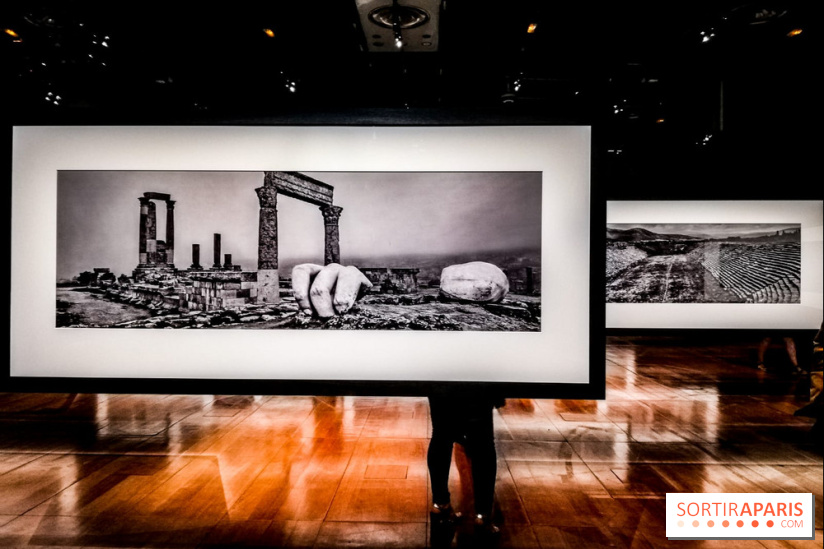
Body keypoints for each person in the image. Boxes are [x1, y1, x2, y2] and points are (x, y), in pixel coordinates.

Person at [427, 390, 505, 540]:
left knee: (440, 436)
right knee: (483, 444)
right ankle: (482, 515)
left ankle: (440, 503)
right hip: (476, 381)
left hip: (442, 379)